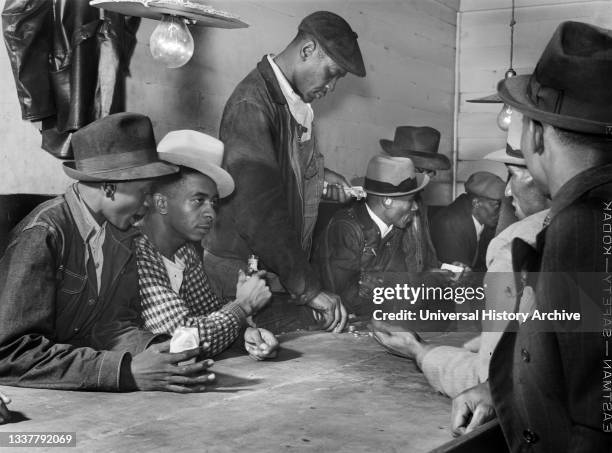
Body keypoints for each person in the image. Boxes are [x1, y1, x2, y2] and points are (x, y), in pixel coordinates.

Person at [449, 22, 612, 452]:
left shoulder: (580, 229)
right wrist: (500, 390)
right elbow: (575, 355)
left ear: (536, 135)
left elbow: (596, 419)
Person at [0, 113, 215, 393]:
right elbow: (11, 353)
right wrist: (125, 371)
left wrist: (164, 353)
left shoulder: (122, 236)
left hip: (78, 387)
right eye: (144, 192)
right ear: (110, 187)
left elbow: (111, 327)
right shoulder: (44, 234)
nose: (149, 205)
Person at [203, 11, 367, 333]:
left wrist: (318, 177)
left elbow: (280, 170)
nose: (331, 87)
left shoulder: (290, 102)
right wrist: (309, 288)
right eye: (331, 73)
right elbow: (258, 207)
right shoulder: (253, 103)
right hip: (243, 277)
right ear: (307, 51)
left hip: (275, 271)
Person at [370, 128, 550, 399]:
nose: (426, 179)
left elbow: (491, 382)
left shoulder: (418, 207)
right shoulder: (406, 213)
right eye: (421, 170)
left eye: (430, 172)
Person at [136, 130, 278, 360]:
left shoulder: (185, 253)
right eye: (198, 200)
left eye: (213, 202)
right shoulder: (137, 251)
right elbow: (185, 341)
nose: (211, 212)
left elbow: (209, 312)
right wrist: (242, 306)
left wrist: (247, 335)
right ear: (161, 203)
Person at [314, 154, 446, 315]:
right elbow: (345, 299)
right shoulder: (346, 229)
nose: (415, 208)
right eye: (410, 200)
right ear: (387, 201)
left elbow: (400, 283)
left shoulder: (395, 228)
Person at [380, 126, 450, 272]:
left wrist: (444, 269)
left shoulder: (419, 204)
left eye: (431, 172)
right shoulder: (384, 206)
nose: (430, 177)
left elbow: (421, 258)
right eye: (427, 171)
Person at [430, 171, 505, 272]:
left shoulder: (481, 219)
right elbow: (457, 279)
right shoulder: (451, 225)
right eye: (497, 205)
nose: (501, 212)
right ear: (476, 203)